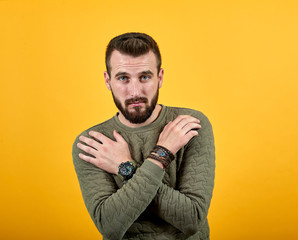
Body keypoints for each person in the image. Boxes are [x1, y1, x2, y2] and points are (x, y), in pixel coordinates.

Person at [72, 32, 215, 240]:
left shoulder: (190, 125)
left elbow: (192, 219)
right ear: (107, 80)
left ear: (160, 77)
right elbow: (110, 228)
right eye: (123, 78)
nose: (135, 91)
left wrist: (125, 167)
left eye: (145, 77)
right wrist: (163, 153)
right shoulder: (93, 143)